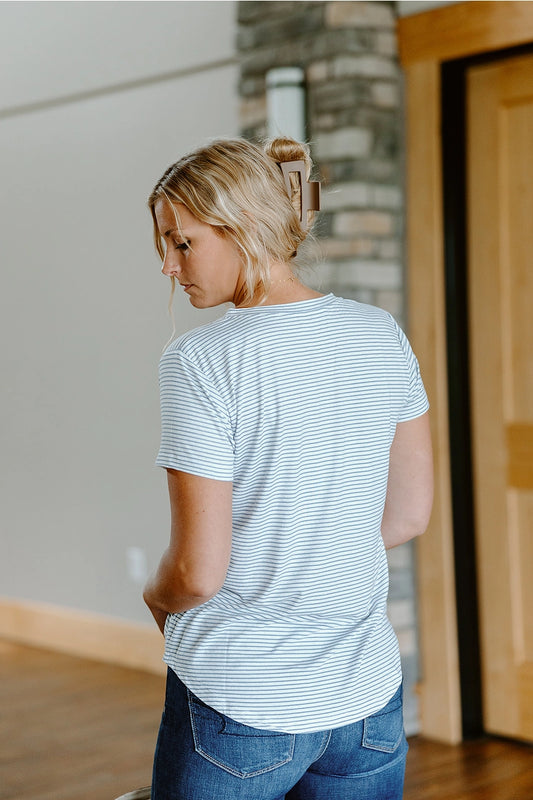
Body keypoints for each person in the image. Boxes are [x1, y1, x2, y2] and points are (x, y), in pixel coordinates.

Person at [143, 136, 433, 800]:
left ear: (242, 226)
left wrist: (156, 597)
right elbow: (409, 514)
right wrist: (310, 543)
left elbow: (196, 572)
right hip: (366, 706)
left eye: (181, 243)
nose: (167, 265)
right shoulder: (379, 332)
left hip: (238, 703)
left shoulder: (200, 361)